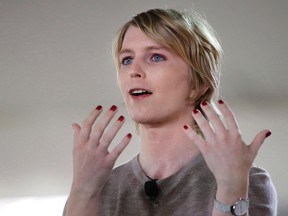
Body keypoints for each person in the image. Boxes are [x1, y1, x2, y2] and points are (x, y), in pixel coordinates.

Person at [63, 8, 277, 216]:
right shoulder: (101, 189)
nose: (133, 71)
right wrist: (83, 192)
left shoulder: (248, 182)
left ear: (199, 82)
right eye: (126, 60)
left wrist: (231, 192)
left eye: (156, 57)